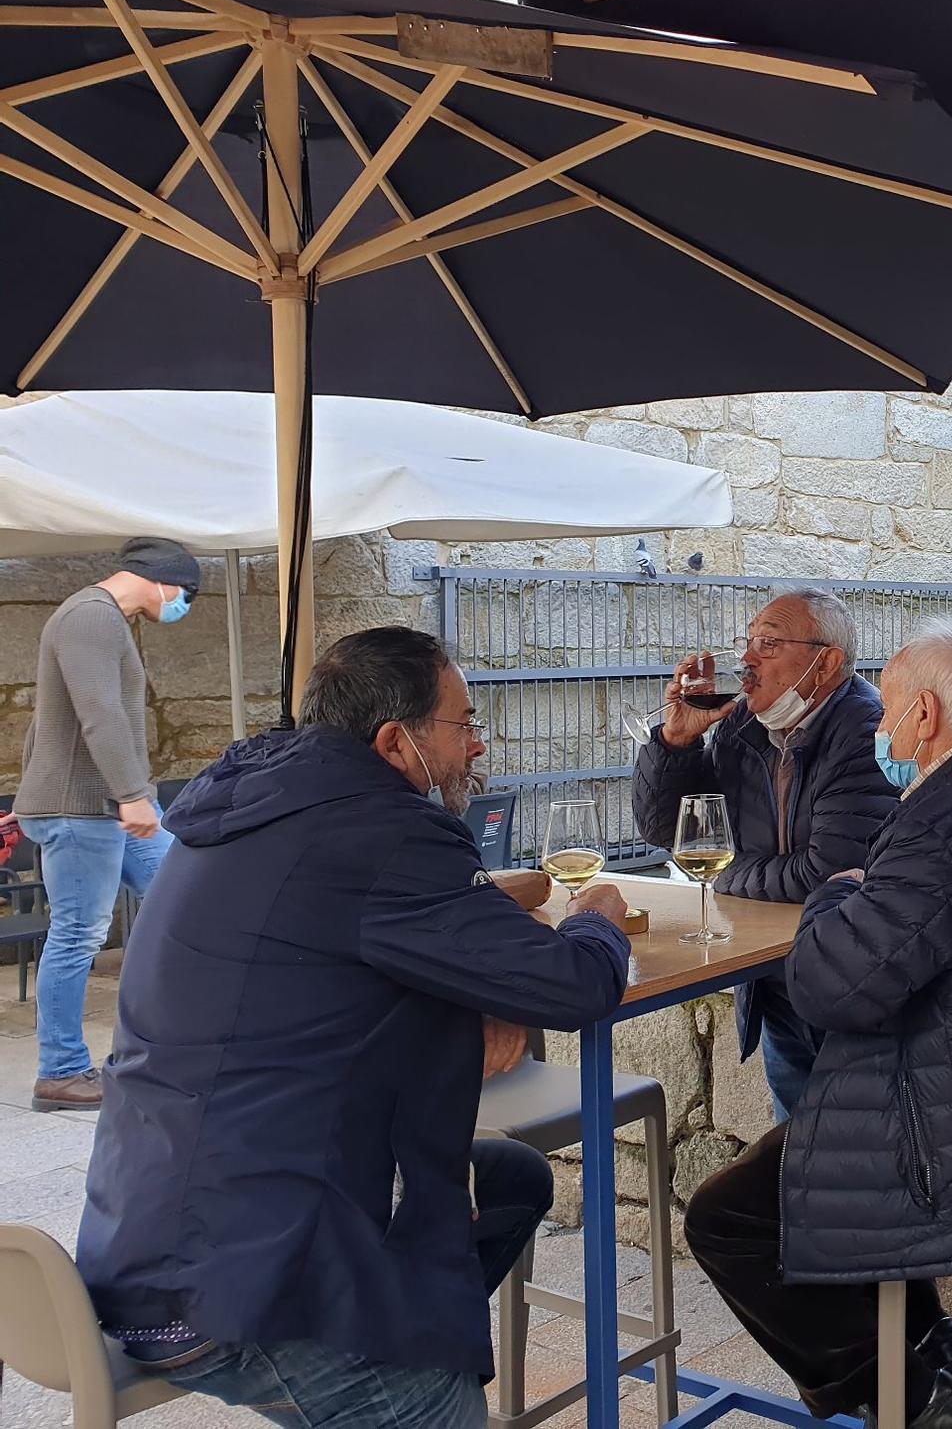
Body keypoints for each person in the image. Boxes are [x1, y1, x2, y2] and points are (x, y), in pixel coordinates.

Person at [76, 627, 632, 1427]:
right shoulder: (381, 834)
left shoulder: (268, 799)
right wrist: (599, 914)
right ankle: (395, 1373)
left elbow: (368, 924)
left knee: (512, 1180)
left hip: (156, 1227)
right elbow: (575, 984)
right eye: (463, 723)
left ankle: (403, 1336)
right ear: (394, 741)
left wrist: (483, 980)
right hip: (244, 1281)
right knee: (436, 1377)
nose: (476, 745)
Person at [685, 619, 952, 1429]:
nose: (879, 730)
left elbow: (826, 989)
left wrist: (833, 896)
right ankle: (930, 1341)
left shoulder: (941, 827)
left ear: (924, 716)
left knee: (727, 1218)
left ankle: (907, 1397)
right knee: (823, 1154)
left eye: (886, 712)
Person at [634, 590, 899, 1119]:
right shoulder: (742, 725)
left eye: (770, 644)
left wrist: (723, 873)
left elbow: (827, 872)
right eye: (748, 643)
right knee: (790, 1147)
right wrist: (676, 742)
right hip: (776, 979)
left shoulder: (869, 729)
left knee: (852, 1145)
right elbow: (668, 829)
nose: (747, 660)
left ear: (825, 663)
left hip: (846, 975)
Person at [8, 537, 198, 1112]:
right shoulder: (90, 618)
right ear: (165, 580)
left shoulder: (98, 618)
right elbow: (99, 715)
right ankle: (59, 1073)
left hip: (98, 804)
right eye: (186, 594)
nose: (183, 605)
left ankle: (179, 1038)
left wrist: (30, 790)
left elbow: (49, 721)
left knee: (187, 895)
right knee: (79, 934)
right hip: (90, 808)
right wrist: (134, 795)